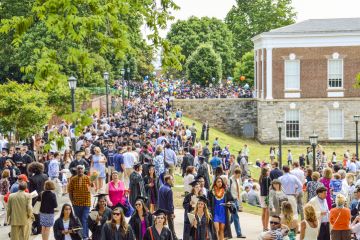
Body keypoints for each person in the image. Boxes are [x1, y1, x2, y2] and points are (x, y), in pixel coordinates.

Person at [68, 165, 91, 239]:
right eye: (78, 169)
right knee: (78, 220)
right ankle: (80, 235)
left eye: (81, 169)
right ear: (76, 170)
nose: (80, 170)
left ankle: (85, 236)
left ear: (84, 170)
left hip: (86, 203)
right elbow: (70, 191)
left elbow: (93, 189)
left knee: (84, 219)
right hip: (76, 203)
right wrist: (72, 201)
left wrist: (93, 185)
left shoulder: (88, 178)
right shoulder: (73, 179)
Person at [28, 162, 49, 235]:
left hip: (36, 198)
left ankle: (38, 229)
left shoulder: (32, 179)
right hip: (45, 197)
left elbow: (31, 191)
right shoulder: (45, 176)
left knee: (36, 214)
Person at [157, 175, 179, 240]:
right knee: (171, 226)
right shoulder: (169, 190)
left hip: (161, 210)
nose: (173, 181)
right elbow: (170, 203)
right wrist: (172, 212)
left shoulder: (161, 188)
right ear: (168, 180)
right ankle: (174, 238)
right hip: (168, 211)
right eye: (172, 179)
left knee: (161, 225)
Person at [229, 168, 246, 238]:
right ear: (234, 174)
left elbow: (238, 191)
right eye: (238, 175)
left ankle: (224, 228)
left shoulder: (238, 180)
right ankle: (239, 233)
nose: (238, 177)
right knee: (236, 217)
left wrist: (240, 202)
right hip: (232, 200)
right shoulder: (230, 180)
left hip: (236, 200)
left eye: (239, 176)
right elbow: (228, 191)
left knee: (232, 218)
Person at [259, 167, 271, 231]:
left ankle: (264, 226)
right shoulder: (267, 178)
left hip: (262, 195)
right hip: (267, 195)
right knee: (267, 212)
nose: (269, 172)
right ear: (266, 172)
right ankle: (266, 227)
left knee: (263, 211)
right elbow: (270, 187)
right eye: (268, 171)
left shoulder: (261, 178)